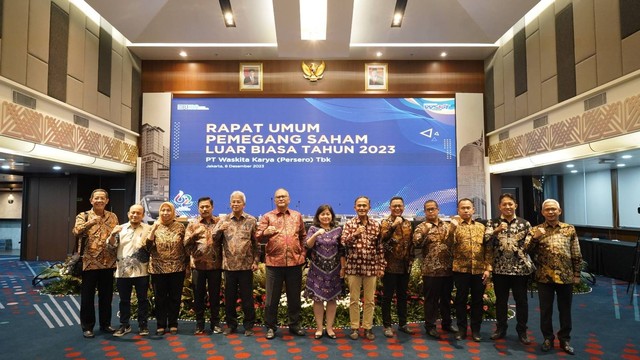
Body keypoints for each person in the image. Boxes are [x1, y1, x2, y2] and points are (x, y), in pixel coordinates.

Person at [525, 199, 582, 355]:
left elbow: (576, 253)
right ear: (542, 212)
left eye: (553, 209)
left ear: (559, 211)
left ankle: (565, 339)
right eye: (547, 209)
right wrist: (535, 237)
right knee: (545, 310)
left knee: (565, 310)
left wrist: (577, 274)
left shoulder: (569, 229)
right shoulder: (536, 229)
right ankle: (548, 338)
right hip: (544, 277)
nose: (550, 212)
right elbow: (526, 251)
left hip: (565, 276)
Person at [256, 188, 307, 340]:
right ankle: (270, 327)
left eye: (284, 196)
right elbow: (257, 237)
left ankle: (294, 325)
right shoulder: (267, 217)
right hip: (274, 264)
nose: (281, 199)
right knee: (271, 299)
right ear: (274, 200)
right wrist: (265, 233)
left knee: (294, 297)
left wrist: (302, 254)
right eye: (278, 197)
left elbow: (303, 236)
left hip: (294, 263)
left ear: (289, 199)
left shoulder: (297, 216)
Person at [484, 193, 533, 345]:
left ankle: (522, 330)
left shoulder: (525, 224)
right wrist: (496, 230)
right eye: (504, 204)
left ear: (515, 206)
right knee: (501, 301)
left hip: (519, 270)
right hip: (499, 270)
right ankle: (501, 328)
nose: (507, 207)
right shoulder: (492, 223)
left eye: (510, 204)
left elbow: (529, 246)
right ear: (499, 207)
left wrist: (535, 238)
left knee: (521, 301)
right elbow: (484, 241)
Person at [72, 188, 119, 339]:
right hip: (89, 262)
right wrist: (91, 222)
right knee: (87, 297)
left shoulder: (113, 217)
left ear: (107, 201)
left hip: (108, 262)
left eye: (102, 198)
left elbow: (117, 237)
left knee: (106, 296)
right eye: (96, 198)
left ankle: (105, 324)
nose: (99, 200)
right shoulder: (83, 216)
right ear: (91, 200)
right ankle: (87, 326)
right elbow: (76, 231)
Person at [342, 196, 385, 341]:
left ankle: (367, 328)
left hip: (371, 268)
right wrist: (355, 234)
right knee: (354, 299)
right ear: (355, 207)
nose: (361, 208)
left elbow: (379, 247)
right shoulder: (349, 224)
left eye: (364, 205)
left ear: (369, 207)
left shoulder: (375, 225)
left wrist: (381, 265)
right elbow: (343, 243)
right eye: (359, 205)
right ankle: (354, 328)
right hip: (353, 268)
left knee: (370, 300)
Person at [413, 200, 457, 339]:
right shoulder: (421, 227)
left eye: (433, 209)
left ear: (438, 209)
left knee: (446, 298)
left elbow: (453, 243)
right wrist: (425, 231)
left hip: (447, 269)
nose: (431, 211)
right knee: (431, 300)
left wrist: (454, 230)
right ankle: (430, 326)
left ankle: (446, 323)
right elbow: (416, 243)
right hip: (431, 270)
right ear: (425, 212)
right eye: (428, 209)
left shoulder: (448, 226)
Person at [217, 191, 259, 336]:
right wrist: (218, 230)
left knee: (247, 298)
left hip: (246, 266)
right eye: (233, 202)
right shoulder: (223, 221)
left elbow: (256, 243)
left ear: (244, 204)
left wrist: (256, 261)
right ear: (230, 204)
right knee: (229, 298)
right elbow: (215, 241)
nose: (235, 204)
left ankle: (248, 326)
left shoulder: (251, 220)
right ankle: (231, 325)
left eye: (238, 202)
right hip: (229, 266)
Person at [107, 204, 151, 337]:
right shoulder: (120, 229)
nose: (135, 215)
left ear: (142, 215)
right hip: (123, 271)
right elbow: (111, 246)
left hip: (142, 270)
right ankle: (124, 325)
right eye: (133, 213)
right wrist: (113, 235)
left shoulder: (148, 229)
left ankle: (143, 325)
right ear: (128, 214)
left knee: (142, 299)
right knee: (124, 300)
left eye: (138, 213)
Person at [451, 198, 490, 342]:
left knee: (477, 301)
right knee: (460, 301)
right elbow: (448, 244)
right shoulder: (453, 227)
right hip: (460, 270)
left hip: (479, 270)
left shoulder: (481, 227)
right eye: (463, 208)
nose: (466, 210)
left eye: (468, 208)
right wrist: (452, 228)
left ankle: (476, 330)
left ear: (473, 210)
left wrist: (488, 268)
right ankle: (461, 330)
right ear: (458, 210)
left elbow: (487, 248)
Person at [304, 204, 345, 340]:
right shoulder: (313, 229)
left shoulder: (338, 230)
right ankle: (319, 328)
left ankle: (330, 328)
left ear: (332, 216)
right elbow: (307, 245)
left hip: (334, 270)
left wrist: (343, 268)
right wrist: (316, 234)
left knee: (332, 299)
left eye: (328, 214)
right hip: (317, 271)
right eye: (323, 214)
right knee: (318, 299)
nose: (326, 216)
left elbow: (342, 250)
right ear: (318, 216)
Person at [146, 201, 187, 336]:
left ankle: (173, 323)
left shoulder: (180, 227)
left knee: (175, 297)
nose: (165, 213)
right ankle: (161, 324)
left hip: (177, 268)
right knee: (160, 298)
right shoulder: (154, 226)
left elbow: (186, 246)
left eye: (168, 210)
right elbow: (147, 247)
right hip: (158, 269)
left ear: (173, 212)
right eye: (163, 210)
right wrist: (153, 228)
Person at [184, 197, 222, 335]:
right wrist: (194, 235)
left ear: (212, 207)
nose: (204, 209)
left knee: (214, 297)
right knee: (198, 296)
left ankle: (215, 324)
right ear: (198, 208)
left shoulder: (219, 222)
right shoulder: (193, 224)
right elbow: (186, 244)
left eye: (207, 206)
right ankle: (199, 324)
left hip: (215, 266)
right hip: (198, 267)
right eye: (201, 207)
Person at [380, 196, 415, 337]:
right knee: (387, 297)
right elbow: (383, 239)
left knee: (402, 296)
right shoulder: (385, 222)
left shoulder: (407, 223)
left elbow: (411, 244)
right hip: (389, 266)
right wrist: (394, 225)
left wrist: (411, 260)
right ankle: (387, 326)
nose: (397, 208)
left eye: (399, 206)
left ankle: (403, 323)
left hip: (404, 266)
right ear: (390, 208)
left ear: (404, 207)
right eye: (394, 206)